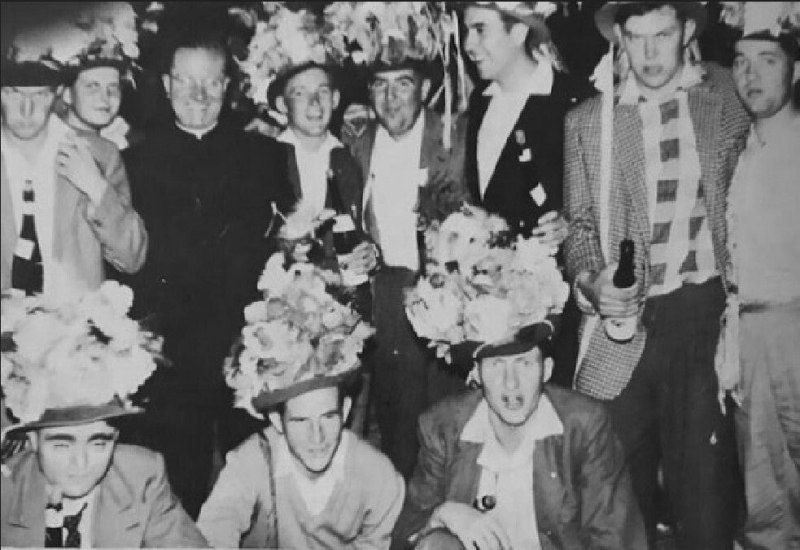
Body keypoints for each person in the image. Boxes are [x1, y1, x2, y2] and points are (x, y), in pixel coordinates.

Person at [563, 3, 750, 548]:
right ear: (619, 39)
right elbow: (579, 227)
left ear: (687, 31)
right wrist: (590, 282)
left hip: (703, 321)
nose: (648, 54)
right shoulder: (589, 121)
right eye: (635, 37)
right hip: (625, 330)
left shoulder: (726, 97)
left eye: (662, 35)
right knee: (617, 503)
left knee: (707, 504)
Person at [121, 21, 294, 518]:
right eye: (186, 81)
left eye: (210, 82)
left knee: (260, 493)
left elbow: (286, 252)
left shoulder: (266, 157)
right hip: (171, 359)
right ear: (166, 84)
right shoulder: (134, 163)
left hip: (248, 349)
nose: (198, 95)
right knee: (178, 494)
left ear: (227, 86)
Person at [197, 255, 404, 548]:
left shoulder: (378, 478)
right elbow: (215, 527)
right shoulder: (250, 463)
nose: (317, 437)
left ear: (346, 410)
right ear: (276, 421)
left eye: (328, 417)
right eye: (300, 421)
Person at [392, 319, 646, 550]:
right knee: (437, 544)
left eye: (524, 363)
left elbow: (614, 536)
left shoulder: (583, 425)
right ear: (477, 374)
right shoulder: (444, 427)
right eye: (496, 365)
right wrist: (444, 514)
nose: (511, 383)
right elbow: (405, 532)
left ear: (546, 370)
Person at [0, 282, 208, 548]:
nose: (81, 463)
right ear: (32, 440)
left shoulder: (140, 478)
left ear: (116, 436)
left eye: (98, 443)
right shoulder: (6, 493)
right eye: (61, 445)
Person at [342, 44, 469, 477]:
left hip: (448, 295)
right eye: (380, 85)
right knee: (398, 424)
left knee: (450, 419)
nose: (390, 98)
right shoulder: (356, 144)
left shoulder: (455, 137)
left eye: (403, 84)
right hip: (388, 299)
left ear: (426, 89)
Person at [461, 1, 596, 388]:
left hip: (555, 311)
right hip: (495, 305)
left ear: (519, 31)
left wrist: (570, 222)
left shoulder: (574, 99)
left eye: (480, 29)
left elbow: (602, 201)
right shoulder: (481, 102)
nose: (468, 44)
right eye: (466, 30)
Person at [719, 3, 800, 547]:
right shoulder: (738, 148)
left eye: (768, 60)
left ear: (795, 68)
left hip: (794, 325)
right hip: (747, 338)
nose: (752, 76)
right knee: (767, 502)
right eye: (742, 62)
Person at [0, 27, 147, 300]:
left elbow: (132, 258)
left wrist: (98, 189)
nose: (26, 110)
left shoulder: (99, 154)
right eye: (14, 93)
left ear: (57, 92)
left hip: (75, 321)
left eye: (39, 95)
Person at [55, 2, 142, 151]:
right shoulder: (47, 141)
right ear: (67, 94)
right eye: (92, 86)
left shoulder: (131, 143)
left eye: (113, 87)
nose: (105, 97)